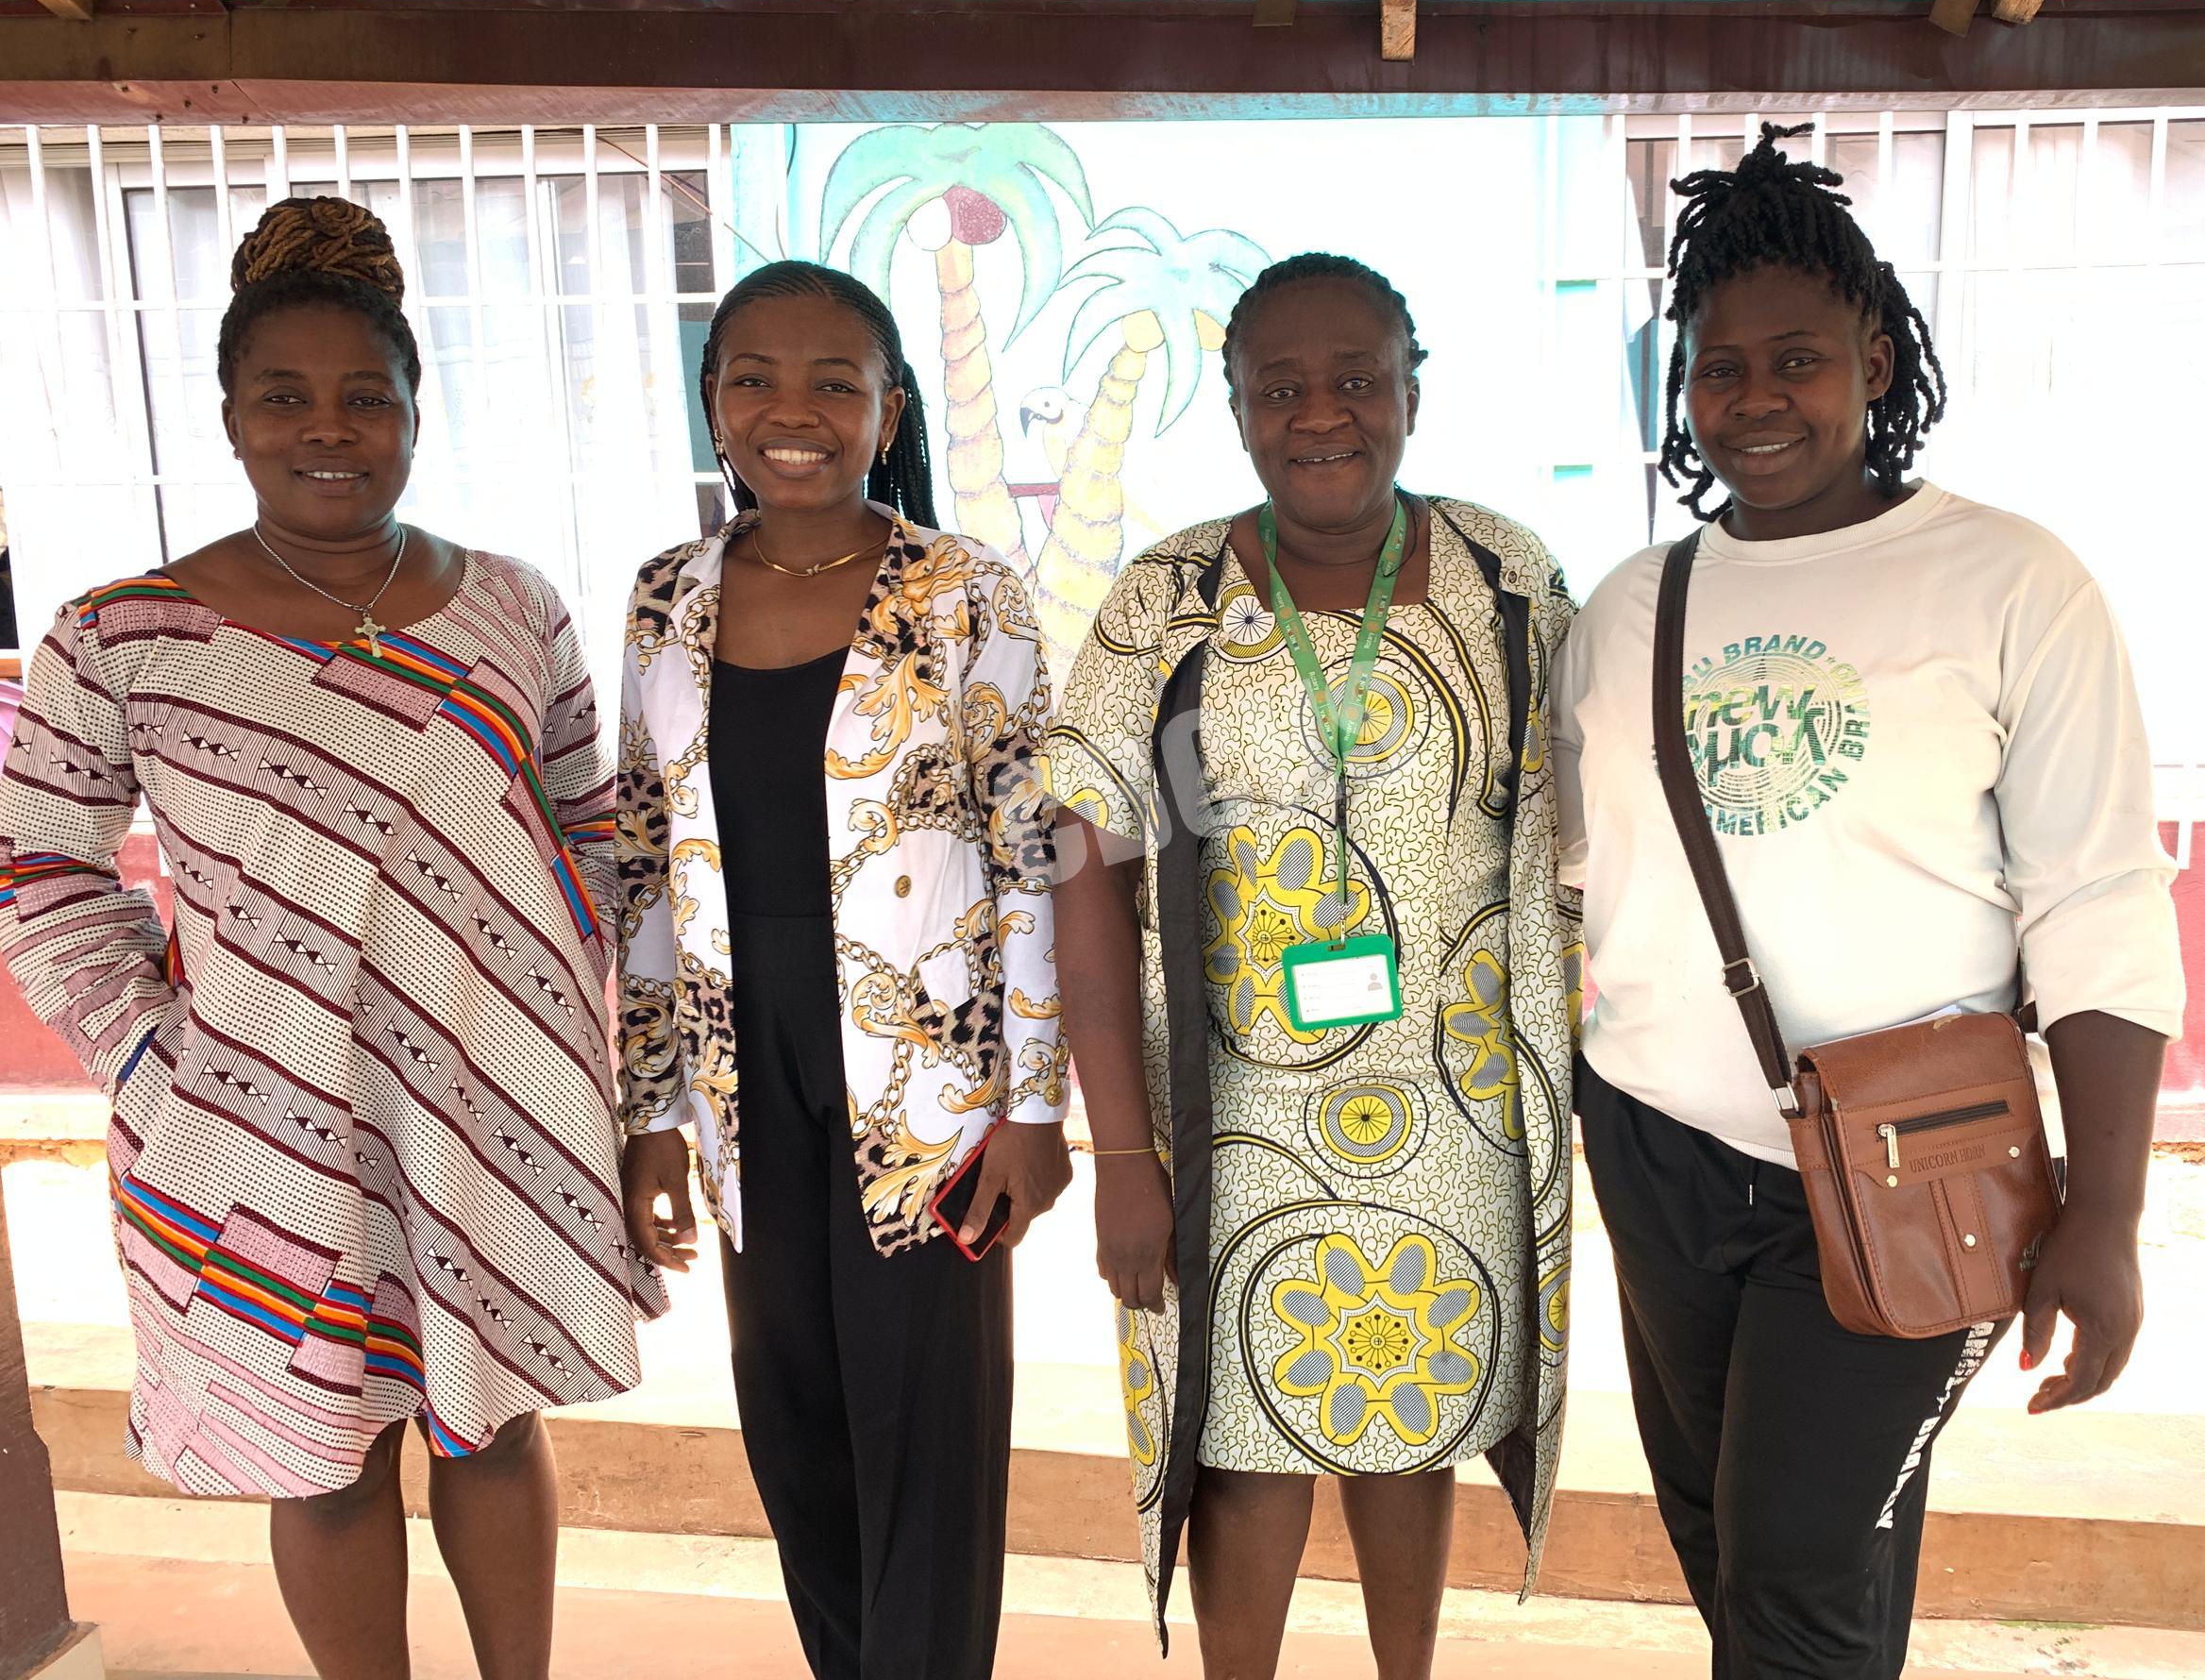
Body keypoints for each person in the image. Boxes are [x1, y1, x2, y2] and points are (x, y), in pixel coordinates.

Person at [1552, 125, 2187, 1678]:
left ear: (1878, 357)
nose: (1757, 401)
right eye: (1719, 368)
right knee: (1736, 1544)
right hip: (1658, 1147)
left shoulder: (2009, 583)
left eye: (1800, 361)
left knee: (1790, 1576)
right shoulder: (1637, 603)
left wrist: (2105, 1216)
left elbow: (2098, 899)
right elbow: (1575, 873)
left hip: (1917, 1156)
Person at [0, 196, 662, 1680]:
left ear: (417, 413)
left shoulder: (511, 605)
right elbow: (41, 860)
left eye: (368, 396)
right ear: (229, 417)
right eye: (284, 398)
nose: (329, 429)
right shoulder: (119, 633)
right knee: (320, 1449)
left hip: (485, 1108)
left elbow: (596, 823)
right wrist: (152, 1057)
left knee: (489, 1422)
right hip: (246, 1124)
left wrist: (537, 1006)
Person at [1049, 253, 1581, 1679]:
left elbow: (1579, 821)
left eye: (1356, 378)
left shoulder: (1506, 574)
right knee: (1243, 1434)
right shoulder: (1159, 606)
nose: (1320, 414)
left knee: (1421, 1414)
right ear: (1232, 406)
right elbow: (1086, 869)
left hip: (1464, 1099)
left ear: (1414, 386)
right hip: (1229, 1108)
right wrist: (1117, 1152)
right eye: (1278, 386)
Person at [614, 259, 1071, 1680]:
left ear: (887, 410)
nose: (790, 409)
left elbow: (1033, 855)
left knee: (924, 1435)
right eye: (753, 375)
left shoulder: (962, 593)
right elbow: (638, 858)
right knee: (795, 1421)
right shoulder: (664, 601)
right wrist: (646, 1112)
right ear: (712, 401)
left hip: (930, 1090)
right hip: (740, 1081)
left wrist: (1040, 1109)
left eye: (835, 380)